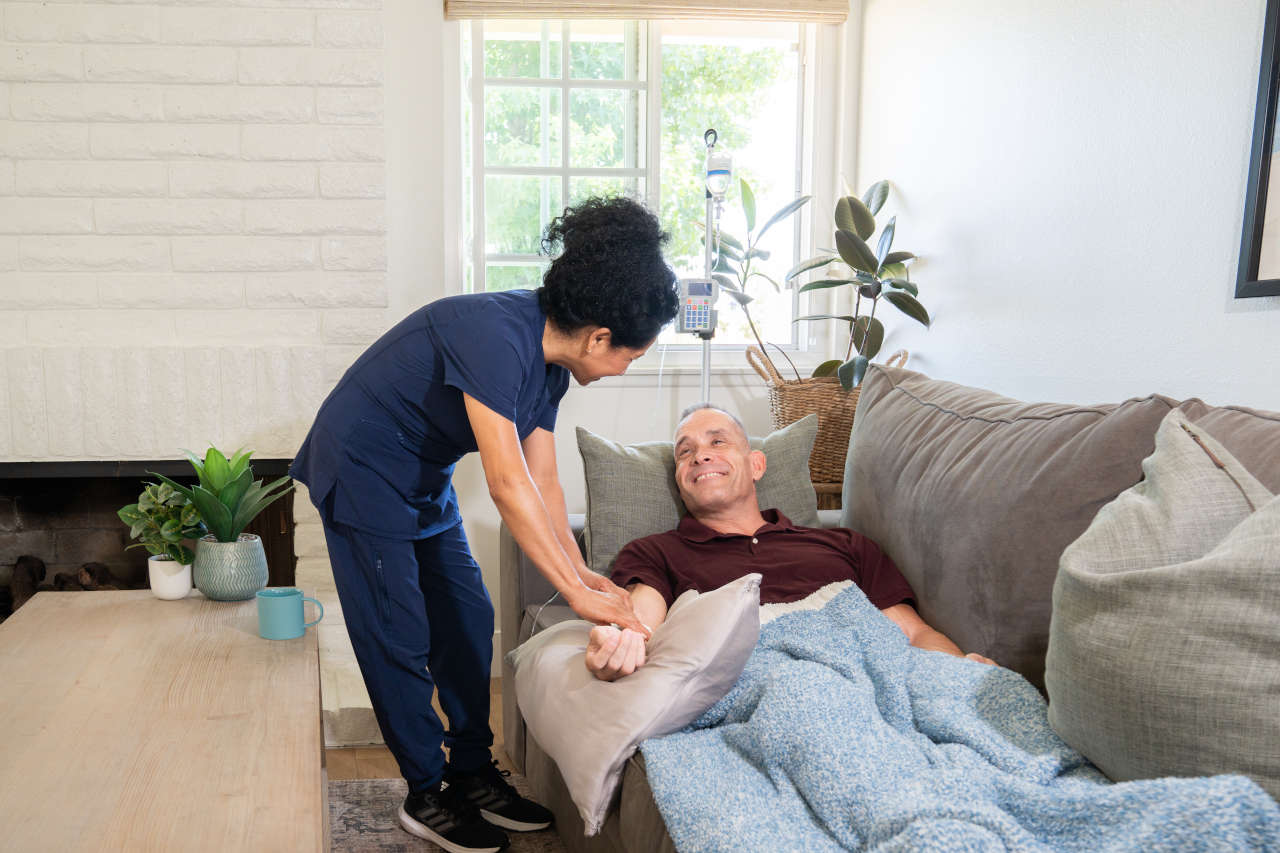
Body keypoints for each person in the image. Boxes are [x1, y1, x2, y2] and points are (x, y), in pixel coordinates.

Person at [291, 197, 679, 853]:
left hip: (421, 474)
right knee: (400, 630)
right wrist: (580, 597)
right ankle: (425, 790)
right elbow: (505, 482)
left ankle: (471, 770)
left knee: (468, 616)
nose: (624, 369)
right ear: (599, 338)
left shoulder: (551, 369)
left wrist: (577, 566)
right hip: (360, 466)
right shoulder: (498, 335)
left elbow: (543, 479)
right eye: (631, 358)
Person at [585, 403, 996, 681]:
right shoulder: (655, 551)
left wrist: (958, 670)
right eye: (684, 452)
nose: (699, 456)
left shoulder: (845, 545)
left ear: (757, 464)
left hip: (869, 670)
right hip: (768, 680)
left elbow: (913, 634)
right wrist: (620, 647)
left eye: (717, 442)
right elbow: (640, 626)